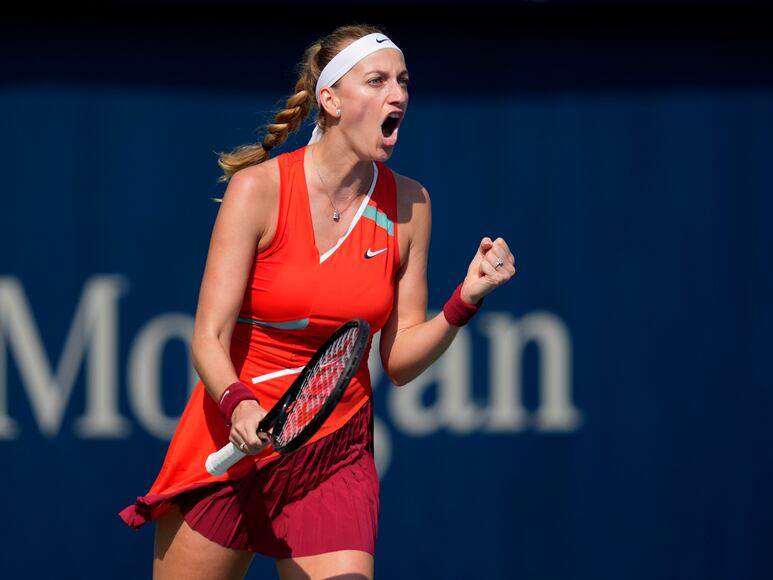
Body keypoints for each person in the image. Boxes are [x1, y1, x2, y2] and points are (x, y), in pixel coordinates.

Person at [119, 23, 515, 579]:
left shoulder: (410, 203)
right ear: (329, 99)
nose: (397, 95)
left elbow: (397, 361)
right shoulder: (257, 190)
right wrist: (240, 405)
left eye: (402, 82)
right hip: (231, 440)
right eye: (376, 81)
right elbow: (207, 337)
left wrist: (465, 300)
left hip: (334, 454)